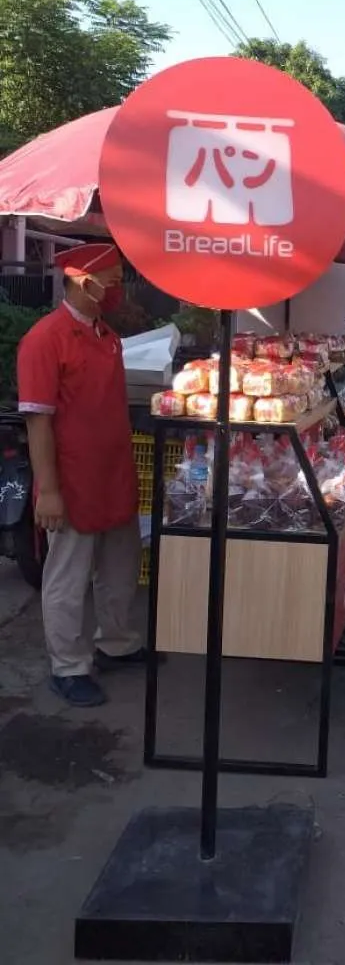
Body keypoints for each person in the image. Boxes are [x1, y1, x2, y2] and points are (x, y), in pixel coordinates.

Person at [17, 243, 146, 708]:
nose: (116, 288)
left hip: (113, 473)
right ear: (81, 279)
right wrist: (47, 490)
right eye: (110, 281)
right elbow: (38, 420)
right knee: (67, 576)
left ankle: (117, 642)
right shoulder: (45, 339)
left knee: (120, 565)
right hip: (70, 480)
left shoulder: (105, 334)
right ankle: (68, 666)